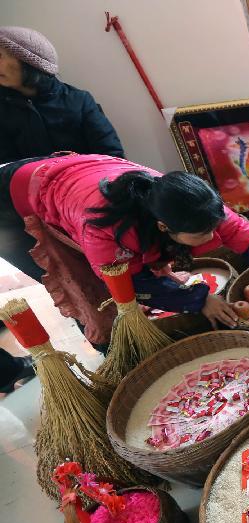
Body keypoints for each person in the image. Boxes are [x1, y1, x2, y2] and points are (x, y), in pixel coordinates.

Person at [0, 154, 249, 336]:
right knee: (85, 287)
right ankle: (108, 349)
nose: (212, 240)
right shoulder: (105, 227)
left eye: (214, 229)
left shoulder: (195, 206)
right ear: (164, 227)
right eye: (200, 237)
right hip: (13, 200)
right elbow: (128, 282)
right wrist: (197, 299)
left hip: (75, 168)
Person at [0, 27, 124, 392]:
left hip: (82, 216)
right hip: (19, 224)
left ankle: (139, 337)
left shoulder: (77, 101)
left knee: (109, 281)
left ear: (28, 61)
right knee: (72, 291)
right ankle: (111, 356)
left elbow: (112, 158)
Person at [0, 26, 124, 163]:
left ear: (29, 62)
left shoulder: (80, 101)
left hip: (86, 181)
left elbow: (112, 157)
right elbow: (5, 165)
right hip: (27, 182)